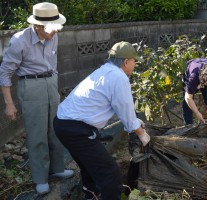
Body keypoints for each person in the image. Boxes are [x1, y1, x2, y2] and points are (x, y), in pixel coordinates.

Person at [53, 41, 151, 200]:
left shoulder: (104, 71)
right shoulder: (119, 77)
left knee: (88, 165)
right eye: (134, 61)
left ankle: (91, 194)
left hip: (62, 123)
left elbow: (123, 110)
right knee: (110, 172)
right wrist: (141, 133)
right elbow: (126, 112)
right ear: (126, 61)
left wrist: (135, 123)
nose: (135, 64)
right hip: (76, 128)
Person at [0, 2, 74, 195]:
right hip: (30, 86)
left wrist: (54, 88)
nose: (55, 33)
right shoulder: (19, 41)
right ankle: (40, 178)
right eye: (52, 29)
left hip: (50, 82)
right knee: (37, 133)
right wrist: (9, 103)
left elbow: (53, 63)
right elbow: (5, 73)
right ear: (38, 26)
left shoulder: (53, 35)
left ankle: (57, 169)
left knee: (56, 128)